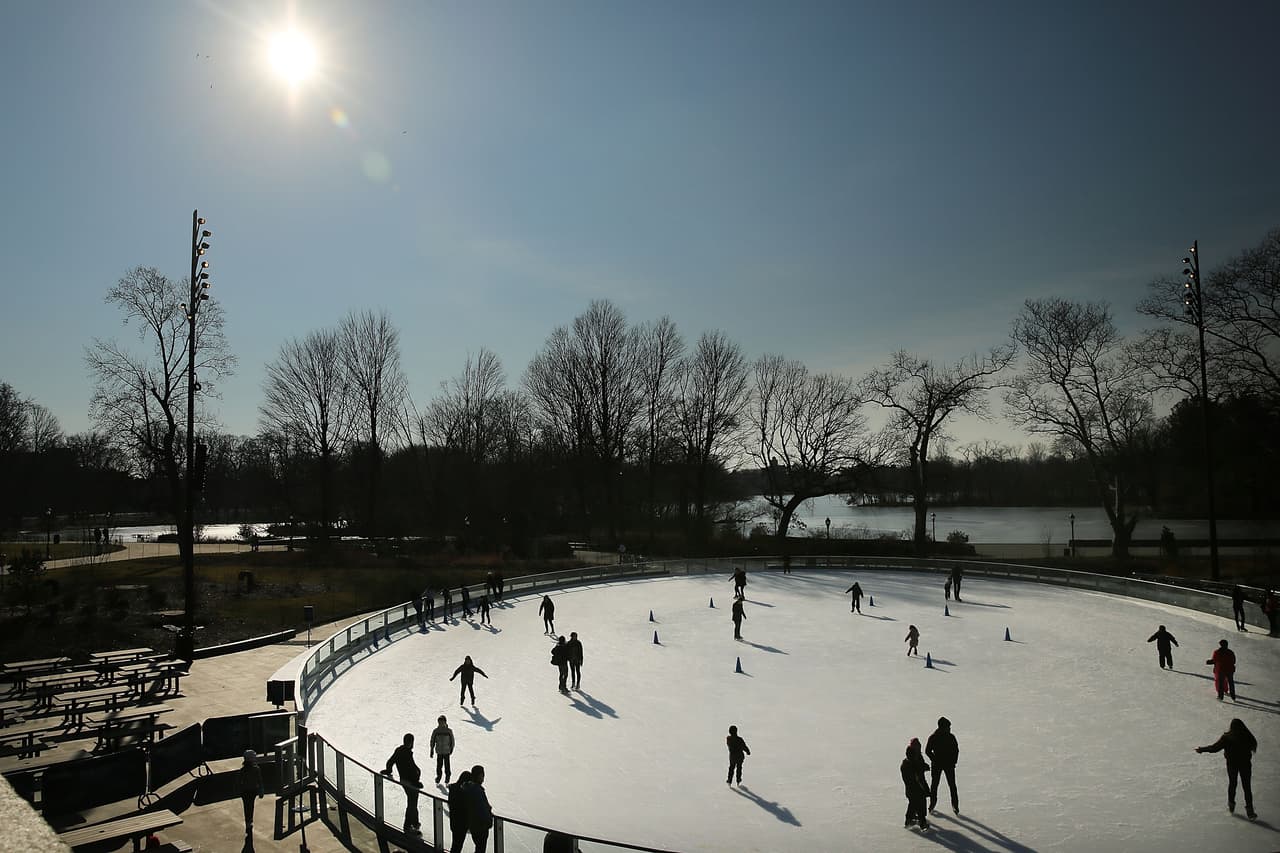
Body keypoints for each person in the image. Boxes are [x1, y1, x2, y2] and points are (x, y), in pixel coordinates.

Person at [1195, 718, 1257, 820]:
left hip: (1232, 765)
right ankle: (1250, 812)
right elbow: (1254, 745)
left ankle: (1231, 805)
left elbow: (1214, 748)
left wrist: (1201, 749)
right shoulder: (1247, 736)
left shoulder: (1227, 738)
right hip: (1245, 765)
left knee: (1233, 783)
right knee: (1247, 787)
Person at [382, 733, 423, 835]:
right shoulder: (407, 753)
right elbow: (410, 770)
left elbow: (390, 761)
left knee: (412, 802)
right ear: (411, 742)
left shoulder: (399, 750)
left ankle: (415, 822)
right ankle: (408, 825)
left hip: (404, 781)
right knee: (412, 803)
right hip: (410, 782)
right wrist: (416, 782)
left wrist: (388, 770)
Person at [925, 717, 959, 815]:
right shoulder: (934, 737)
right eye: (948, 727)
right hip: (937, 765)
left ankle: (955, 805)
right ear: (942, 727)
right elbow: (928, 751)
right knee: (935, 785)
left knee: (952, 785)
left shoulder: (951, 737)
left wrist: (953, 761)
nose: (949, 729)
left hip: (948, 765)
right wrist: (935, 760)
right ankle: (932, 804)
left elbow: (956, 750)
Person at [901, 738, 931, 831]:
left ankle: (910, 820)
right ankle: (922, 823)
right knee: (919, 804)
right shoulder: (910, 763)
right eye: (917, 747)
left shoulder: (914, 759)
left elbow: (920, 771)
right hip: (915, 789)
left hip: (914, 788)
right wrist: (925, 789)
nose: (919, 749)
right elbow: (917, 777)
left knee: (913, 804)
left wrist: (924, 767)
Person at [465, 765, 494, 853]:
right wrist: (488, 822)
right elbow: (482, 809)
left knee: (479, 848)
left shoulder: (468, 787)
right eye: (482, 775)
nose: (483, 778)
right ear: (477, 776)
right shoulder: (477, 790)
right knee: (480, 849)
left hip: (474, 825)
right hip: (480, 827)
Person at [239, 749, 264, 837]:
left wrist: (238, 790)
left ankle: (248, 821)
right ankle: (250, 821)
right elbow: (260, 781)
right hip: (253, 791)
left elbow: (239, 781)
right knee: (251, 806)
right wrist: (261, 791)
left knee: (246, 806)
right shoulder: (256, 769)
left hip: (245, 791)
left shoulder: (242, 770)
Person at [447, 770, 472, 853]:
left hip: (454, 821)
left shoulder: (453, 789)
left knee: (456, 844)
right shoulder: (464, 792)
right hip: (462, 823)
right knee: (458, 845)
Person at [430, 715, 455, 784]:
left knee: (447, 766)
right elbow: (432, 740)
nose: (440, 723)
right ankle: (438, 777)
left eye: (442, 722)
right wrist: (431, 749)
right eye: (439, 722)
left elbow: (452, 740)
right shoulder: (436, 731)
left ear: (445, 722)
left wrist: (452, 748)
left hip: (446, 751)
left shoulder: (449, 731)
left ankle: (447, 778)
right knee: (439, 766)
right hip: (439, 751)